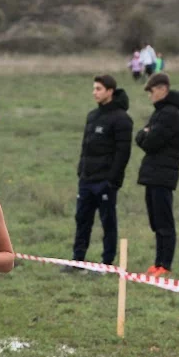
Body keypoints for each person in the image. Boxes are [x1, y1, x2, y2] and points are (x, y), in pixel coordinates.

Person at [70, 75, 132, 271]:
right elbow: (84, 147)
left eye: (98, 89)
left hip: (105, 182)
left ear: (110, 91)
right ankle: (77, 260)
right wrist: (82, 170)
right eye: (94, 88)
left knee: (108, 222)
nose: (94, 92)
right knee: (82, 219)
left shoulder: (122, 119)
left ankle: (107, 263)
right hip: (86, 180)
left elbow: (123, 153)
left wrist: (112, 180)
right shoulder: (92, 116)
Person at [136, 72, 179, 277]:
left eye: (152, 91)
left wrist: (146, 134)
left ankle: (165, 264)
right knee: (156, 220)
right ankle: (157, 263)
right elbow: (141, 136)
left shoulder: (169, 114)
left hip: (163, 174)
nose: (150, 95)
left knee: (164, 221)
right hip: (153, 173)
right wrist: (145, 134)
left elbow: (151, 141)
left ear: (163, 89)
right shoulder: (159, 112)